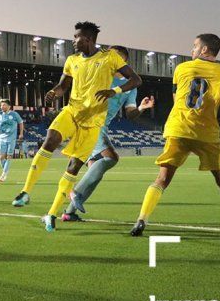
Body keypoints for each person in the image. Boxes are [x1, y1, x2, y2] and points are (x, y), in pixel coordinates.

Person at [11, 22, 142, 233]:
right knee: (50, 139)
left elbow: (136, 80)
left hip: (93, 122)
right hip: (72, 111)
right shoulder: (72, 60)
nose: (73, 40)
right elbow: (63, 85)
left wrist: (115, 91)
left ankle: (53, 214)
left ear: (88, 39)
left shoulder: (109, 58)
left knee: (74, 166)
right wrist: (54, 92)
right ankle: (25, 192)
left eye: (76, 37)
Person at [130, 34, 220, 237]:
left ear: (204, 50)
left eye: (194, 47)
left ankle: (141, 221)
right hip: (206, 133)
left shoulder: (181, 69)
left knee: (162, 179)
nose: (191, 50)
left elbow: (177, 98)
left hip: (178, 128)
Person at [62, 46, 155, 220]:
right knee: (111, 157)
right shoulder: (101, 74)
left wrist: (142, 107)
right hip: (88, 123)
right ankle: (74, 192)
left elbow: (130, 113)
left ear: (123, 61)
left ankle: (69, 213)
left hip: (101, 126)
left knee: (95, 172)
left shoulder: (130, 87)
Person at [0, 100, 24, 182]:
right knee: (1, 157)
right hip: (2, 137)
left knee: (9, 156)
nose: (2, 107)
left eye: (4, 105)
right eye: (1, 105)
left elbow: (21, 123)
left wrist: (21, 133)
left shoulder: (14, 114)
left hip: (11, 138)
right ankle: (5, 171)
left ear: (9, 106)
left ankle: (3, 174)